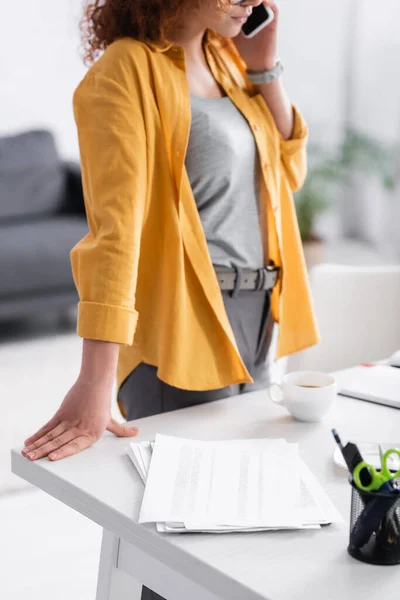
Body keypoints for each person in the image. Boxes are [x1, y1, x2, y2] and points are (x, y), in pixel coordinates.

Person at [22, 0, 319, 597]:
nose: (251, 2)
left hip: (259, 313)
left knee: (241, 518)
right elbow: (115, 234)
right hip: (182, 318)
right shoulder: (124, 71)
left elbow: (287, 175)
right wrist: (95, 379)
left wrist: (264, 69)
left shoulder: (227, 61)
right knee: (187, 532)